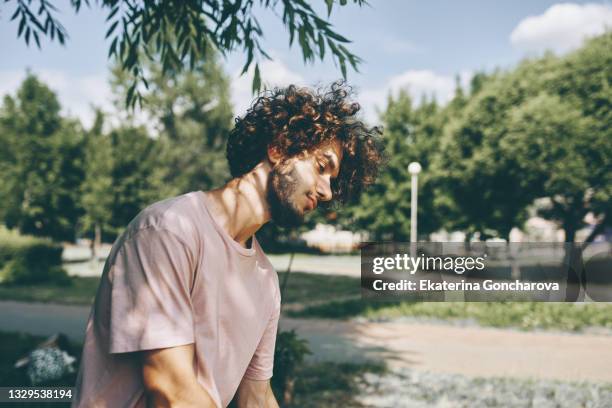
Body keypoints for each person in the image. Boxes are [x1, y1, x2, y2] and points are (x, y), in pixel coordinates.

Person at [72, 81, 383, 408]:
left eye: (333, 182)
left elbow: (256, 397)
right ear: (278, 148)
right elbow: (172, 392)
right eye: (322, 168)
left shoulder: (266, 281)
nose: (327, 192)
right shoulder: (168, 231)